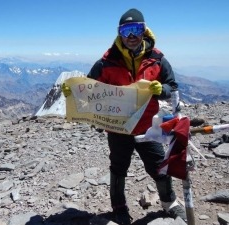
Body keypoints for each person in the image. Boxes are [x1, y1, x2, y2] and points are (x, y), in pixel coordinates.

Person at [62, 8, 186, 225]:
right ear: (119, 33)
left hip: (148, 126)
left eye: (136, 29)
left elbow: (172, 86)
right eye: (126, 30)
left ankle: (169, 202)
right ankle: (119, 209)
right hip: (118, 127)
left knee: (159, 165)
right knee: (118, 168)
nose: (131, 36)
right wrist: (73, 92)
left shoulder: (157, 59)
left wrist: (162, 90)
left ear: (144, 30)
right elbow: (90, 87)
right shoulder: (107, 62)